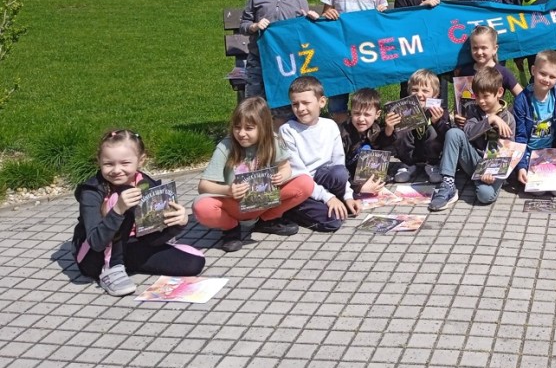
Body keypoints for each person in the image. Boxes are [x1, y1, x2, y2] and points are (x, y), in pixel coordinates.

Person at [72, 129, 205, 296]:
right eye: (108, 164)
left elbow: (152, 238)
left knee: (194, 262)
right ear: (99, 161)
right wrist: (118, 209)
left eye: (125, 163)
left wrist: (177, 224)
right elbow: (95, 242)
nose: (116, 170)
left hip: (131, 245)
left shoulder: (145, 183)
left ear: (141, 160)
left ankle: (125, 262)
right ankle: (111, 269)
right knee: (123, 197)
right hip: (94, 256)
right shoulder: (91, 192)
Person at [193, 97, 313, 252]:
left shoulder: (273, 141)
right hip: (234, 204)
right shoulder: (226, 146)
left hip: (263, 201)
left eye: (249, 128)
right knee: (201, 207)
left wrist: (282, 176)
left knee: (305, 183)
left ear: (263, 127)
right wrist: (228, 190)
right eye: (237, 127)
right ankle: (230, 228)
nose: (241, 133)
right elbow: (203, 186)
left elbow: (286, 168)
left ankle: (267, 220)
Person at [320, 0, 389, 122]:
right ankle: (340, 130)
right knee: (337, 97)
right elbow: (324, 15)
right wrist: (328, 13)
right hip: (340, 50)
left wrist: (381, 14)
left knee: (365, 96)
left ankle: (365, 130)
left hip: (366, 52)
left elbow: (383, 23)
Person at [429, 67, 517, 211]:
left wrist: (491, 171)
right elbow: (468, 133)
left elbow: (507, 152)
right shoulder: (473, 110)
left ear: (499, 92)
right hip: (474, 160)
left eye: (486, 96)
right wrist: (490, 120)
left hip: (493, 168)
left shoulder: (508, 119)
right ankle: (447, 184)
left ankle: (482, 181)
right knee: (454, 133)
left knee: (485, 196)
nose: (481, 101)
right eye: (477, 96)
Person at [280, 77, 360, 231]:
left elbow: (339, 164)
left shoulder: (330, 126)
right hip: (302, 185)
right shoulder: (287, 131)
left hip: (323, 178)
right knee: (333, 221)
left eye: (306, 103)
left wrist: (348, 196)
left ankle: (334, 201)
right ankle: (291, 210)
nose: (300, 108)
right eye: (295, 104)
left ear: (322, 102)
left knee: (339, 173)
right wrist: (328, 197)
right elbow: (299, 173)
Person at [239, 0, 310, 102]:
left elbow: (304, 33)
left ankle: (279, 119)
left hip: (287, 59)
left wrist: (308, 20)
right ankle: (256, 119)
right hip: (259, 58)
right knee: (254, 101)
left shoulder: (299, 1)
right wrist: (254, 26)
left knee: (284, 99)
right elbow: (243, 25)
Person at [514, 50, 556, 196]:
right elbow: (520, 136)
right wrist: (521, 166)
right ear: (533, 70)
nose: (546, 79)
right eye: (543, 74)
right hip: (530, 153)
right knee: (538, 192)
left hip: (552, 153)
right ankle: (529, 169)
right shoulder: (522, 101)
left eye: (552, 77)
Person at [393, 0, 447, 99]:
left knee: (436, 85)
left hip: (434, 51)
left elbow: (444, 24)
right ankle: (408, 112)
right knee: (410, 86)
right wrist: (422, 7)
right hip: (411, 52)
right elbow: (401, 22)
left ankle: (438, 113)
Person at [394, 69, 452, 184]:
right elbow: (393, 137)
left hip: (432, 153)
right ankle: (407, 165)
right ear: (409, 92)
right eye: (415, 90)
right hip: (412, 152)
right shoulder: (404, 110)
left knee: (432, 131)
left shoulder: (440, 110)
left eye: (425, 91)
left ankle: (433, 165)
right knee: (400, 128)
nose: (419, 94)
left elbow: (447, 135)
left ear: (435, 94)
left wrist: (437, 122)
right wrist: (390, 126)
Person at [342, 87, 399, 193]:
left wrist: (389, 128)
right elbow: (338, 167)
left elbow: (382, 145)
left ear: (377, 114)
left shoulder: (375, 128)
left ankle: (373, 177)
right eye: (357, 113)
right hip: (347, 174)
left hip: (364, 172)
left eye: (367, 114)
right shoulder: (344, 135)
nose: (361, 119)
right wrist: (358, 187)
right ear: (351, 113)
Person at [452, 25, 524, 103]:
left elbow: (523, 97)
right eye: (475, 48)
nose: (479, 52)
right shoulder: (465, 72)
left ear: (494, 49)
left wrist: (511, 110)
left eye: (484, 48)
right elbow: (459, 101)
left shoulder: (503, 72)